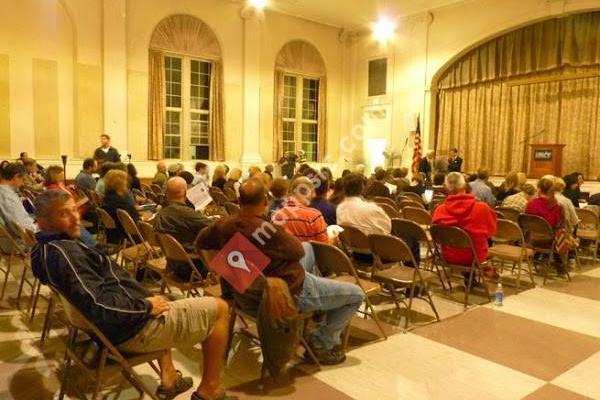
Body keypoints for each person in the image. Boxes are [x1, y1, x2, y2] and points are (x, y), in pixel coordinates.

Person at [31, 190, 234, 400]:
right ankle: (209, 391)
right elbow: (101, 305)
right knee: (221, 307)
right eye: (65, 214)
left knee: (168, 299)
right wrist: (145, 307)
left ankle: (170, 377)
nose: (76, 217)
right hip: (132, 327)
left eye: (75, 210)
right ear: (43, 222)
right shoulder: (66, 254)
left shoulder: (42, 249)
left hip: (130, 309)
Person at [196, 179, 364, 365]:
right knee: (357, 294)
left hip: (244, 293)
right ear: (264, 202)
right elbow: (295, 251)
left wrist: (223, 267)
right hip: (286, 291)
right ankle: (322, 342)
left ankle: (319, 305)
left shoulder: (223, 225)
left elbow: (200, 243)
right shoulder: (267, 231)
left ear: (238, 200)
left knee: (308, 247)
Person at [432, 172, 497, 283]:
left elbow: (435, 235)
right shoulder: (482, 208)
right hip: (475, 257)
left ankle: (470, 276)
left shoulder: (439, 210)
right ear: (464, 186)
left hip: (449, 255)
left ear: (447, 189)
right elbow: (492, 232)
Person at [154, 177, 213, 281]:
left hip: (173, 265)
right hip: (194, 268)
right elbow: (213, 226)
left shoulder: (161, 212)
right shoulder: (186, 213)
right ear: (186, 193)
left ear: (166, 193)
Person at [272, 177, 328, 243]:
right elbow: (325, 246)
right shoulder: (315, 216)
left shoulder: (276, 217)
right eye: (312, 192)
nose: (314, 195)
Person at [0, 163, 37, 252]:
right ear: (16, 177)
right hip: (17, 243)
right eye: (23, 179)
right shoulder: (8, 196)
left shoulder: (5, 192)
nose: (23, 183)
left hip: (10, 239)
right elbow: (21, 227)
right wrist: (39, 225)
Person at [101, 169, 139, 245]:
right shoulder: (122, 202)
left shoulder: (107, 197)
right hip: (128, 234)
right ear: (120, 183)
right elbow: (133, 221)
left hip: (113, 234)